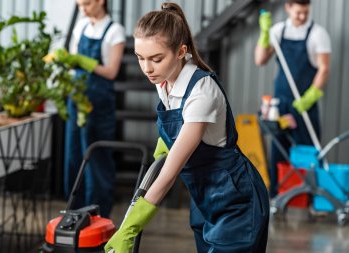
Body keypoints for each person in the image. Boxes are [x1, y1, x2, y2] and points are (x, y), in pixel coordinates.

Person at [104, 2, 269, 253]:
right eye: (140, 58)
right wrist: (164, 145)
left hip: (236, 200)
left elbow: (171, 171)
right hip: (203, 197)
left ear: (181, 52)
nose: (147, 68)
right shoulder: (164, 79)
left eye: (156, 59)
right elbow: (174, 126)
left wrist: (130, 227)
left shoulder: (201, 92)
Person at [51, 0, 125, 217]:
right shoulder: (81, 26)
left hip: (99, 104)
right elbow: (74, 64)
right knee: (74, 156)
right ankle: (74, 213)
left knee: (97, 157)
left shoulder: (115, 30)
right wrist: (67, 60)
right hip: (77, 100)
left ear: (101, 1)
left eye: (87, 3)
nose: (83, 8)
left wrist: (85, 61)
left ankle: (97, 214)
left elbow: (111, 71)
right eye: (79, 4)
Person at [254, 0, 331, 198]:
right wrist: (264, 35)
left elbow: (324, 68)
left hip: (305, 103)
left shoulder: (318, 34)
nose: (302, 16)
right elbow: (260, 60)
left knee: (309, 152)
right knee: (278, 152)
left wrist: (311, 95)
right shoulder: (278, 31)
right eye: (298, 12)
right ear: (288, 7)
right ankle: (277, 198)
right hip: (281, 104)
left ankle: (315, 200)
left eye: (306, 12)